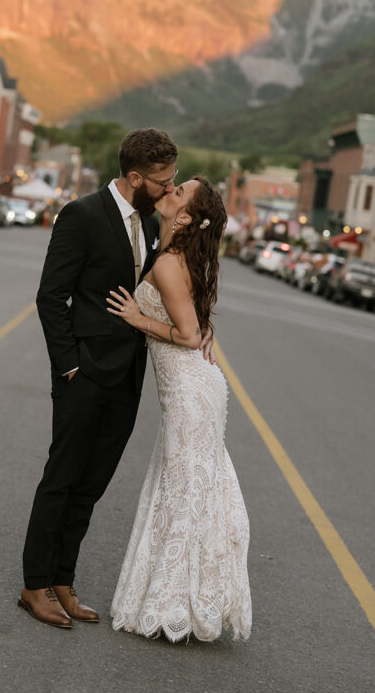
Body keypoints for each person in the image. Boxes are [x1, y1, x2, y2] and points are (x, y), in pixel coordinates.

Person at [19, 129, 215, 629]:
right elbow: (51, 296)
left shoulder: (151, 224)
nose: (169, 188)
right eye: (164, 180)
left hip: (128, 378)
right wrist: (69, 365)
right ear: (135, 177)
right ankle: (35, 584)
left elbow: (173, 289)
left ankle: (63, 581)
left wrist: (203, 326)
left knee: (92, 485)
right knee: (63, 479)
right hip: (83, 374)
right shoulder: (82, 215)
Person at [107, 176, 252, 643]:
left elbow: (189, 335)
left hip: (191, 389)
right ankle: (184, 601)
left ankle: (177, 605)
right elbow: (194, 322)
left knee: (186, 490)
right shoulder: (175, 252)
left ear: (186, 216)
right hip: (194, 386)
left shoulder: (171, 262)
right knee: (187, 486)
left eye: (178, 192)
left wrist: (137, 318)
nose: (169, 190)